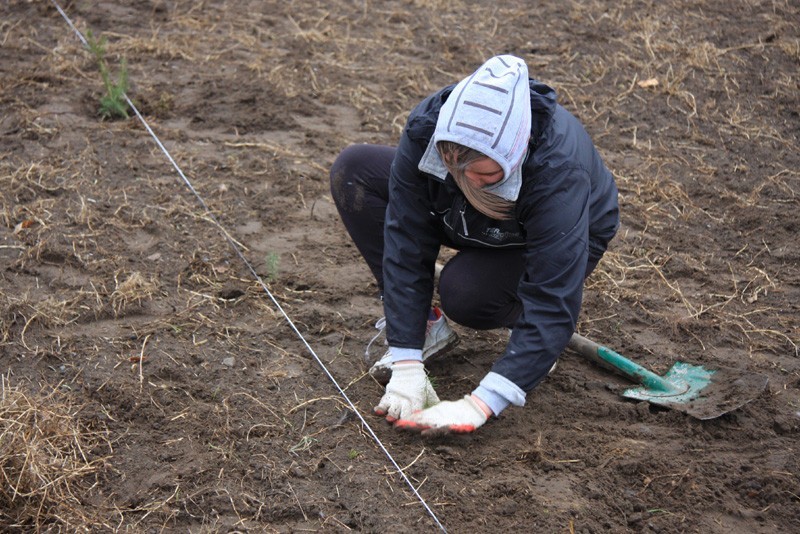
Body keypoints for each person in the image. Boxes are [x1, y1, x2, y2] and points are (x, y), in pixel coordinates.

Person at [329, 55, 619, 434]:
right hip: (469, 217)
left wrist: (480, 404)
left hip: (545, 236)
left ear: (514, 151)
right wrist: (406, 357)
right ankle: (425, 328)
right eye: (455, 169)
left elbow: (553, 299)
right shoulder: (429, 129)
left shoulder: (558, 173)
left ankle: (529, 340)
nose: (470, 182)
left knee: (466, 293)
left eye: (484, 174)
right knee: (355, 171)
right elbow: (407, 238)